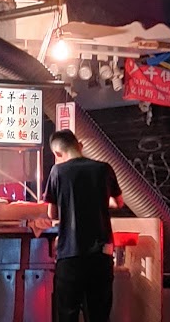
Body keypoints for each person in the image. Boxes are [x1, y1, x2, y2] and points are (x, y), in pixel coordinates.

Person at [41, 129, 124, 322]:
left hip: (70, 255)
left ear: (57, 153)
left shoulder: (57, 171)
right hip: (100, 255)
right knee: (98, 316)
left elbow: (52, 214)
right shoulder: (104, 168)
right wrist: (98, 201)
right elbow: (118, 202)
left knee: (67, 314)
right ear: (80, 146)